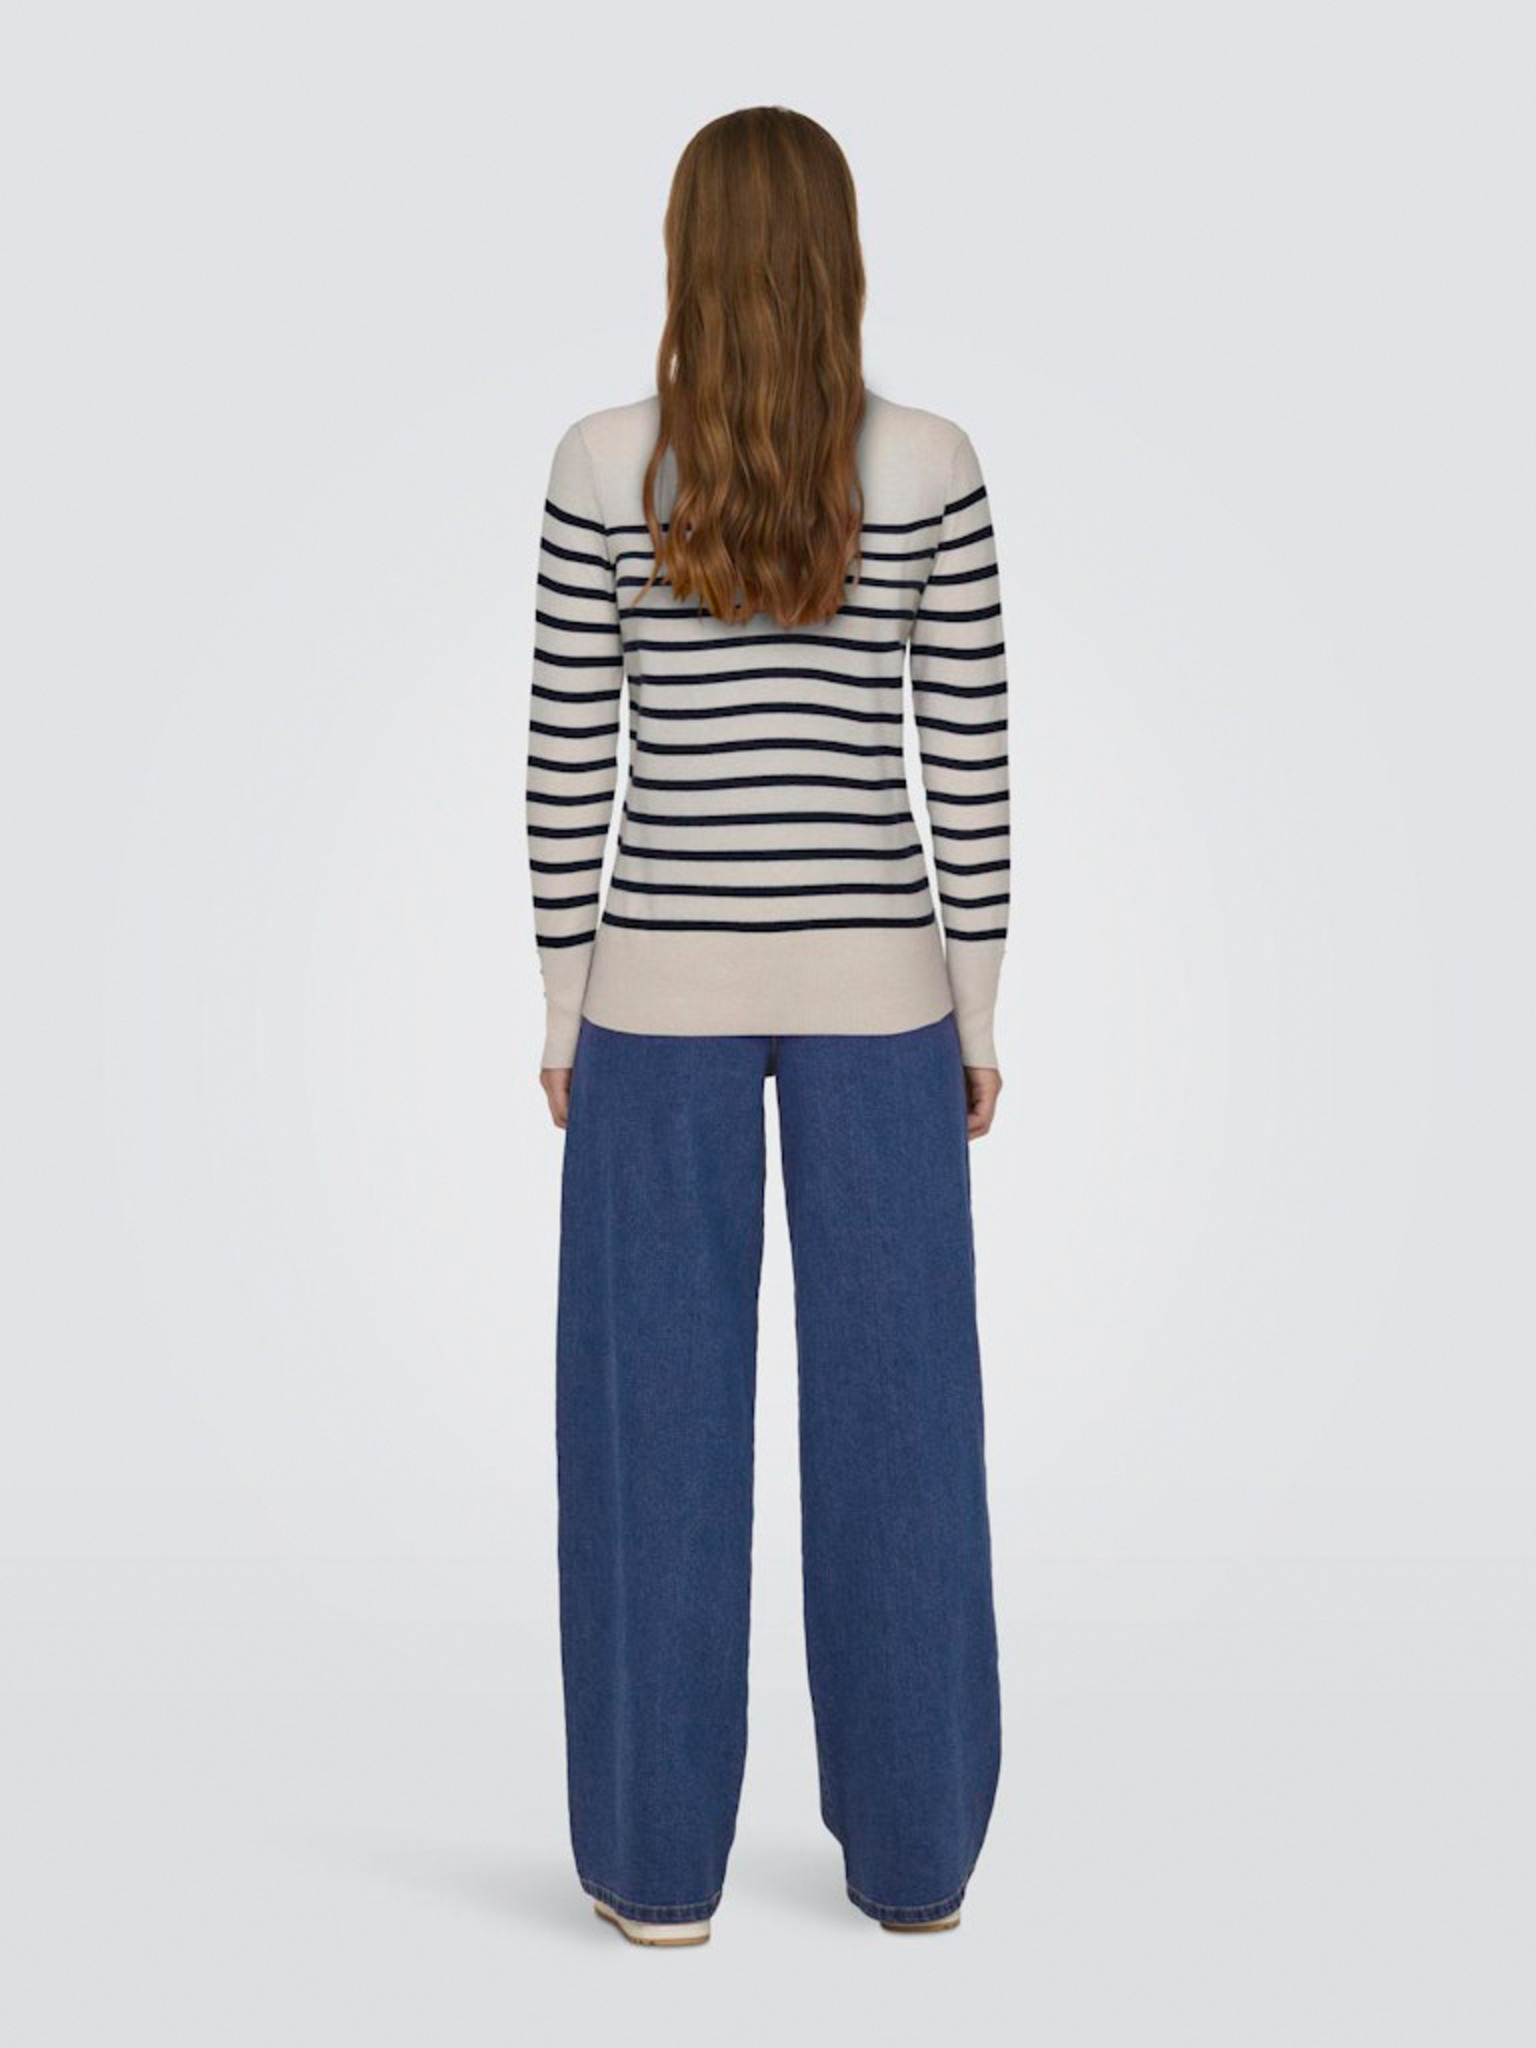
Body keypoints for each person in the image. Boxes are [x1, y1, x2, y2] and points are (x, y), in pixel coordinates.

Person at [525, 106, 1008, 1946]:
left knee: (650, 1433)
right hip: (886, 998)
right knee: (906, 1427)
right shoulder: (932, 464)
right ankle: (916, 1867)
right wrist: (976, 1007)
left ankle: (657, 1877)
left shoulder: (603, 465)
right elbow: (970, 762)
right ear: (840, 254)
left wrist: (563, 1001)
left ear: (685, 253)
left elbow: (567, 762)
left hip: (656, 998)